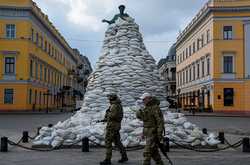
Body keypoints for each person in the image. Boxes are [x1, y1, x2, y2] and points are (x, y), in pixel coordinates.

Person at [100, 92, 128, 165]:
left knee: (108, 142)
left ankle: (107, 159)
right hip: (117, 125)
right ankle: (124, 156)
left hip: (112, 126)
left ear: (111, 99)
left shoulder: (113, 106)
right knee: (117, 141)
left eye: (109, 98)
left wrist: (107, 113)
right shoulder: (119, 105)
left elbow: (113, 115)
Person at [136, 92, 164, 165]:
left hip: (153, 134)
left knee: (147, 152)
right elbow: (146, 122)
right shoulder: (147, 108)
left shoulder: (155, 107)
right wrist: (143, 133)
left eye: (144, 99)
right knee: (154, 153)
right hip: (148, 133)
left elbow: (160, 121)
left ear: (148, 98)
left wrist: (159, 135)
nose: (143, 101)